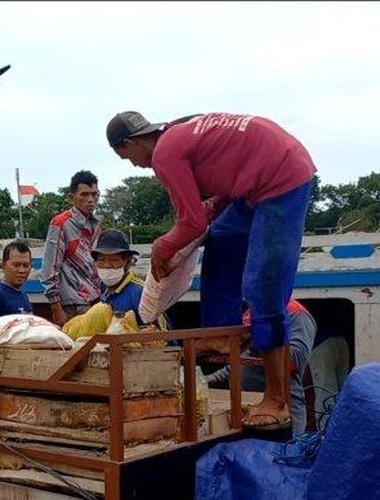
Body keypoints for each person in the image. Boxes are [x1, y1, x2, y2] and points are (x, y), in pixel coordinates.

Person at [106, 110, 316, 430]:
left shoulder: (165, 154)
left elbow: (192, 222)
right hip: (256, 182)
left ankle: (277, 399)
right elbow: (216, 203)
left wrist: (163, 249)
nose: (135, 165)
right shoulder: (180, 131)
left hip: (281, 179)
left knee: (263, 286)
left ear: (130, 142)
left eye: (126, 157)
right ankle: (220, 333)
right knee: (222, 238)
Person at [205, 299, 317, 434]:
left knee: (284, 452)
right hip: (251, 408)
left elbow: (294, 360)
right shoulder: (252, 312)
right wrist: (206, 380)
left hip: (283, 412)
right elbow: (241, 361)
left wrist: (263, 336)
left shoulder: (296, 314)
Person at [41, 170, 102, 326]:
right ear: (72, 197)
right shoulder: (61, 223)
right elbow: (50, 267)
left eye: (94, 194)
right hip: (73, 302)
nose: (90, 200)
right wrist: (56, 307)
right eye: (84, 195)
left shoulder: (96, 224)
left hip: (95, 297)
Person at [92, 229, 169, 329]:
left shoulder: (141, 292)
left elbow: (160, 335)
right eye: (101, 260)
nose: (107, 265)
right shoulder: (102, 289)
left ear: (127, 262)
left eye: (114, 260)